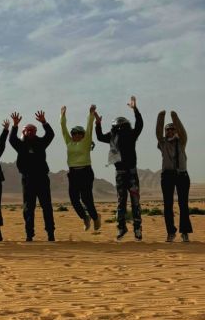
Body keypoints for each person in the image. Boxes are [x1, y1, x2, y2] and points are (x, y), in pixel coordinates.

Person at [95, 96, 144, 241]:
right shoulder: (113, 136)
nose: (121, 129)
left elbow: (139, 125)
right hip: (122, 173)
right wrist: (97, 123)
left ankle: (135, 229)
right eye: (119, 127)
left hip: (130, 172)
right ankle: (123, 228)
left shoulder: (129, 134)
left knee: (133, 202)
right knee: (123, 202)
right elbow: (99, 137)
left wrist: (135, 109)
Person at [9, 111, 55, 241]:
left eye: (32, 130)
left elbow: (50, 135)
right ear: (23, 132)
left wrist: (44, 122)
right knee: (28, 208)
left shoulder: (41, 143)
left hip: (42, 178)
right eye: (27, 130)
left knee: (47, 206)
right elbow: (12, 139)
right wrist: (15, 125)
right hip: (28, 179)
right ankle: (29, 234)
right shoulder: (20, 145)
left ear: (35, 132)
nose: (29, 132)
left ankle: (50, 233)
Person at [60, 104, 101, 233]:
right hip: (73, 174)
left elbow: (89, 128)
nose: (76, 135)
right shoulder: (69, 142)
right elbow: (63, 129)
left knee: (86, 199)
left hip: (85, 173)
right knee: (74, 199)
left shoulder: (86, 141)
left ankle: (96, 217)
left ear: (83, 135)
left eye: (79, 133)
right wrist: (62, 116)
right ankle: (85, 217)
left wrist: (91, 114)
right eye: (74, 133)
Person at [156, 110, 191, 243]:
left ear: (176, 131)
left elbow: (183, 132)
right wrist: (161, 117)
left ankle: (185, 232)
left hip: (182, 175)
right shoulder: (163, 143)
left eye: (172, 129)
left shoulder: (182, 142)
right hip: (167, 176)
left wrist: (174, 117)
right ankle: (171, 232)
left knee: (183, 204)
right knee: (168, 205)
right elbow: (158, 132)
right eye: (168, 130)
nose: (170, 131)